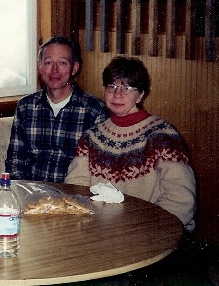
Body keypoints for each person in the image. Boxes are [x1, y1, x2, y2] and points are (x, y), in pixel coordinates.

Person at [65, 56, 196, 231]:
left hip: (154, 232)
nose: (117, 94)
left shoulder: (163, 136)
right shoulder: (92, 137)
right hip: (104, 231)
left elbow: (181, 199)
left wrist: (144, 230)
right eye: (111, 86)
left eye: (127, 88)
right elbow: (76, 188)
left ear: (140, 94)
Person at [5, 36, 107, 182]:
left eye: (62, 63)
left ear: (74, 68)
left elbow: (97, 169)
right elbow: (15, 162)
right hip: (32, 194)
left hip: (73, 196)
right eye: (48, 62)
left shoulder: (94, 110)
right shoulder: (25, 106)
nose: (54, 70)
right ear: (40, 66)